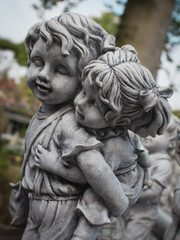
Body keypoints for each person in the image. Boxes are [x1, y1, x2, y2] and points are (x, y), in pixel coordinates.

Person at [10, 12, 130, 240]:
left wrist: (54, 165)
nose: (43, 75)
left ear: (83, 80)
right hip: (38, 207)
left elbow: (105, 183)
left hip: (60, 211)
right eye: (38, 61)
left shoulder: (70, 125)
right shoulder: (45, 112)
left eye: (61, 70)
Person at [35, 47, 173, 240]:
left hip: (116, 189)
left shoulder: (116, 147)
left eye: (93, 104)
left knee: (93, 205)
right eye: (83, 91)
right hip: (110, 181)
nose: (80, 103)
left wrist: (53, 165)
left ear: (119, 122)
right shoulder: (102, 128)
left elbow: (91, 176)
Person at [121, 116, 177, 240]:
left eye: (157, 132)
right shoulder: (139, 155)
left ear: (171, 141)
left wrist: (126, 193)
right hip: (127, 209)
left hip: (144, 213)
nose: (148, 135)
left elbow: (153, 192)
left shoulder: (164, 164)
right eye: (145, 129)